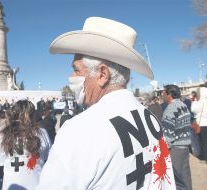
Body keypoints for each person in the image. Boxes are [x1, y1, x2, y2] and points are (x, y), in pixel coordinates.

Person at [36, 17, 176, 189]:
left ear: (102, 74)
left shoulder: (79, 130)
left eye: (76, 70)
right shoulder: (151, 118)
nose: (71, 78)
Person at [0, 100, 51, 190]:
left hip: (11, 186)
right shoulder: (42, 133)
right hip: (37, 185)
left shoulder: (1, 136)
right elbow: (48, 160)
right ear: (32, 115)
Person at [161, 85, 192, 190]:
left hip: (176, 150)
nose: (162, 95)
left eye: (163, 93)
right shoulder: (183, 105)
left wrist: (162, 152)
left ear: (169, 95)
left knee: (177, 181)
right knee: (185, 177)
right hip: (185, 147)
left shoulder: (170, 109)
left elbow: (167, 136)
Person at [191, 87, 207, 162]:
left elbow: (193, 110)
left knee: (202, 141)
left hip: (201, 123)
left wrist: (194, 101)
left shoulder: (201, 101)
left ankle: (204, 157)